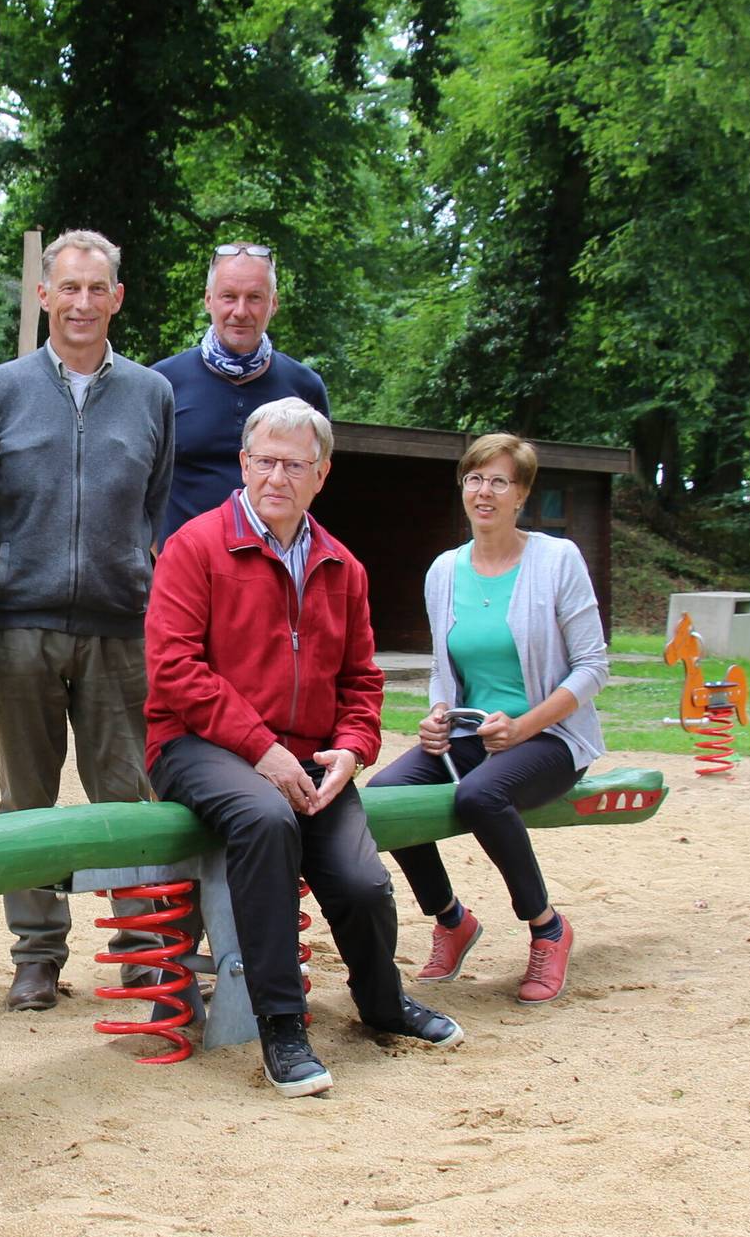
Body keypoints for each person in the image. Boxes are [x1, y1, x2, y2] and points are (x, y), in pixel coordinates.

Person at [144, 397, 461, 1097]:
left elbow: (362, 679)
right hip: (196, 744)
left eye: (294, 464)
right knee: (264, 817)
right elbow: (173, 669)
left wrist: (352, 747)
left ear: (321, 474)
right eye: (264, 460)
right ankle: (282, 1025)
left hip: (312, 753)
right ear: (243, 464)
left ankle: (382, 1002)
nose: (276, 476)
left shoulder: (343, 566)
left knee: (360, 878)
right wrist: (260, 747)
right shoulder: (194, 546)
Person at [0, 229, 174, 1012]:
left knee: (126, 796)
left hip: (122, 627)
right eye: (70, 288)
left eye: (98, 288)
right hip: (20, 625)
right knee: (26, 801)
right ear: (44, 295)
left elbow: (154, 507)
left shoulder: (153, 394)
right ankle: (36, 956)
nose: (83, 302)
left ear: (116, 297)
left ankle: (140, 946)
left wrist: (138, 586)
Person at [366, 432, 610, 1004]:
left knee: (478, 796)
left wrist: (525, 727)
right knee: (381, 798)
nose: (485, 491)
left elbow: (593, 667)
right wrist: (437, 716)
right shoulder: (445, 570)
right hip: (471, 733)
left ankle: (547, 926)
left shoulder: (557, 560)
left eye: (499, 481)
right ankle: (452, 918)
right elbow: (443, 668)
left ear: (521, 494)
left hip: (549, 736)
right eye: (475, 479)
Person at [152, 243, 331, 548]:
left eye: (254, 298)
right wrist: (163, 557)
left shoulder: (305, 388)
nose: (240, 311)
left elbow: (313, 484)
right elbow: (137, 488)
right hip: (182, 575)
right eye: (229, 296)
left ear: (273, 303)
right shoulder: (161, 383)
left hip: (274, 572)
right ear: (209, 300)